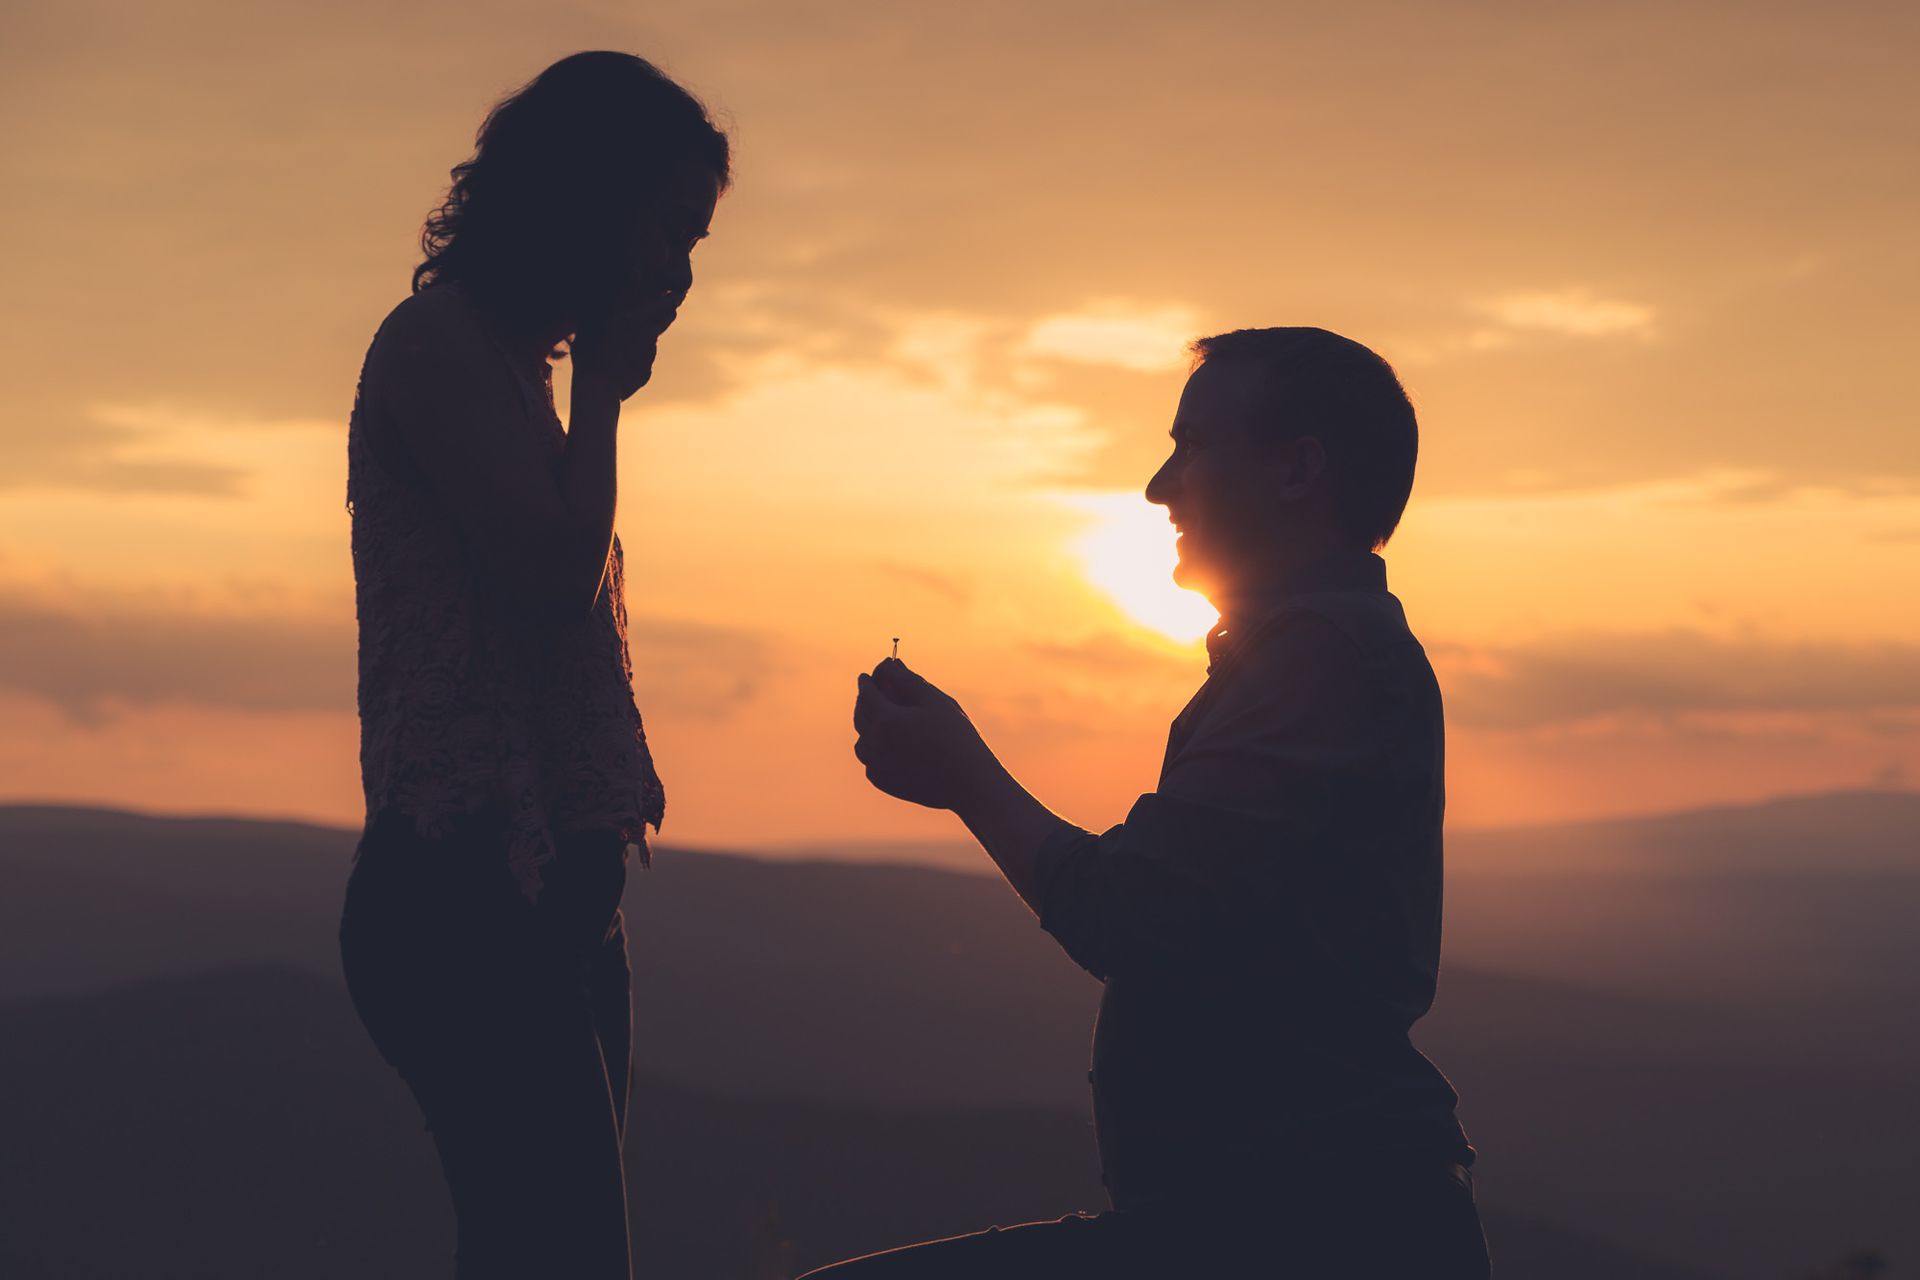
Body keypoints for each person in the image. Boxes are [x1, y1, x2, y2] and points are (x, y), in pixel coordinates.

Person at [825, 328, 1491, 1277]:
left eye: (1192, 447)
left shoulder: (1323, 662)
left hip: (1303, 1230)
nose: (1158, 486)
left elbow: (1129, 911)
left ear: (1299, 469)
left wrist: (963, 776)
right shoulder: (1312, 656)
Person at [337, 52, 728, 1280]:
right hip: (464, 893)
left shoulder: (506, 366)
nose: (680, 267)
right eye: (669, 226)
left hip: (537, 889)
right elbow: (550, 579)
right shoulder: (437, 346)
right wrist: (607, 394)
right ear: (586, 200)